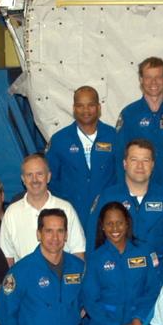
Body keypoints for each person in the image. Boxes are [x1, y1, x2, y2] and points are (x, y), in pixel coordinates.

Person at [93, 138, 163, 264]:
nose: (140, 166)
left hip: (159, 272)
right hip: (117, 271)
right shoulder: (108, 197)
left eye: (145, 160)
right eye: (134, 160)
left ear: (153, 165)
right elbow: (94, 239)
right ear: (125, 164)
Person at [116, 56, 163, 201]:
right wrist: (123, 191)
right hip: (139, 188)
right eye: (148, 77)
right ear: (141, 80)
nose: (153, 82)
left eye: (158, 77)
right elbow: (119, 155)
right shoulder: (129, 114)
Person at [47, 86, 119, 239]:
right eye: (80, 105)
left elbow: (121, 176)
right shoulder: (60, 140)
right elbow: (50, 180)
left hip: (106, 216)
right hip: (71, 215)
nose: (85, 110)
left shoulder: (114, 137)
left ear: (99, 108)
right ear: (74, 108)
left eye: (91, 105)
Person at [0, 154, 86, 264]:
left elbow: (78, 252)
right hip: (25, 279)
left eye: (39, 174)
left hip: (59, 278)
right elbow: (7, 258)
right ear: (23, 179)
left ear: (48, 177)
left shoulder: (66, 209)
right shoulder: (12, 213)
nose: (34, 180)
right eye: (29, 175)